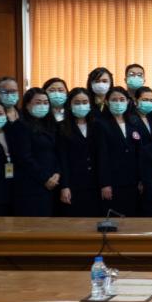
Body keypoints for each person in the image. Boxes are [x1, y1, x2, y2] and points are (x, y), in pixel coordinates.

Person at [96, 86, 149, 216]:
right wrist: (105, 184)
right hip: (113, 181)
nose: (118, 103)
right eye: (114, 100)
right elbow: (101, 155)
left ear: (127, 101)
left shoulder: (134, 121)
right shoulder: (100, 123)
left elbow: (140, 152)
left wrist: (142, 179)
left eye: (122, 99)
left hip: (133, 180)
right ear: (107, 102)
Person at [57, 88, 107, 218]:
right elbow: (62, 159)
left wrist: (104, 183)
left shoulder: (97, 126)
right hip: (73, 184)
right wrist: (65, 186)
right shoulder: (62, 127)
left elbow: (102, 157)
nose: (81, 106)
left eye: (85, 102)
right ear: (70, 105)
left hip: (95, 185)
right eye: (77, 102)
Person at [15, 88, 61, 217]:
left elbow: (57, 152)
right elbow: (25, 158)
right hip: (32, 186)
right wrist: (45, 178)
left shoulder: (51, 125)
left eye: (46, 103)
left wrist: (57, 173)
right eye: (38, 102)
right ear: (27, 105)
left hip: (54, 183)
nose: (43, 106)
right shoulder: (21, 126)